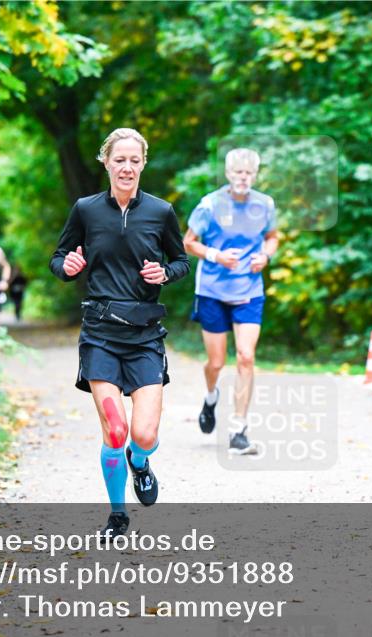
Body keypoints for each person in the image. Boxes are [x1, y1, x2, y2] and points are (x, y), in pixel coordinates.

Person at [49, 128, 189, 540]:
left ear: (143, 163)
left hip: (145, 335)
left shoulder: (161, 212)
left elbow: (181, 261)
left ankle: (140, 462)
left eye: (134, 160)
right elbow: (59, 257)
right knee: (115, 429)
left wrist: (165, 272)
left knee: (143, 436)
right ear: (106, 162)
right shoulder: (86, 209)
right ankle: (118, 515)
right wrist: (67, 267)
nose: (126, 167)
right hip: (100, 333)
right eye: (119, 159)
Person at [183, 148, 279, 455]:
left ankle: (239, 428)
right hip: (212, 290)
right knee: (216, 363)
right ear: (228, 174)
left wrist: (265, 255)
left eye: (249, 173)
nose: (243, 177)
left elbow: (273, 236)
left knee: (246, 357)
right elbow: (188, 243)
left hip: (249, 290)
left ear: (255, 175)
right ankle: (211, 397)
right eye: (238, 172)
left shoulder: (265, 204)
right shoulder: (210, 205)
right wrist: (217, 256)